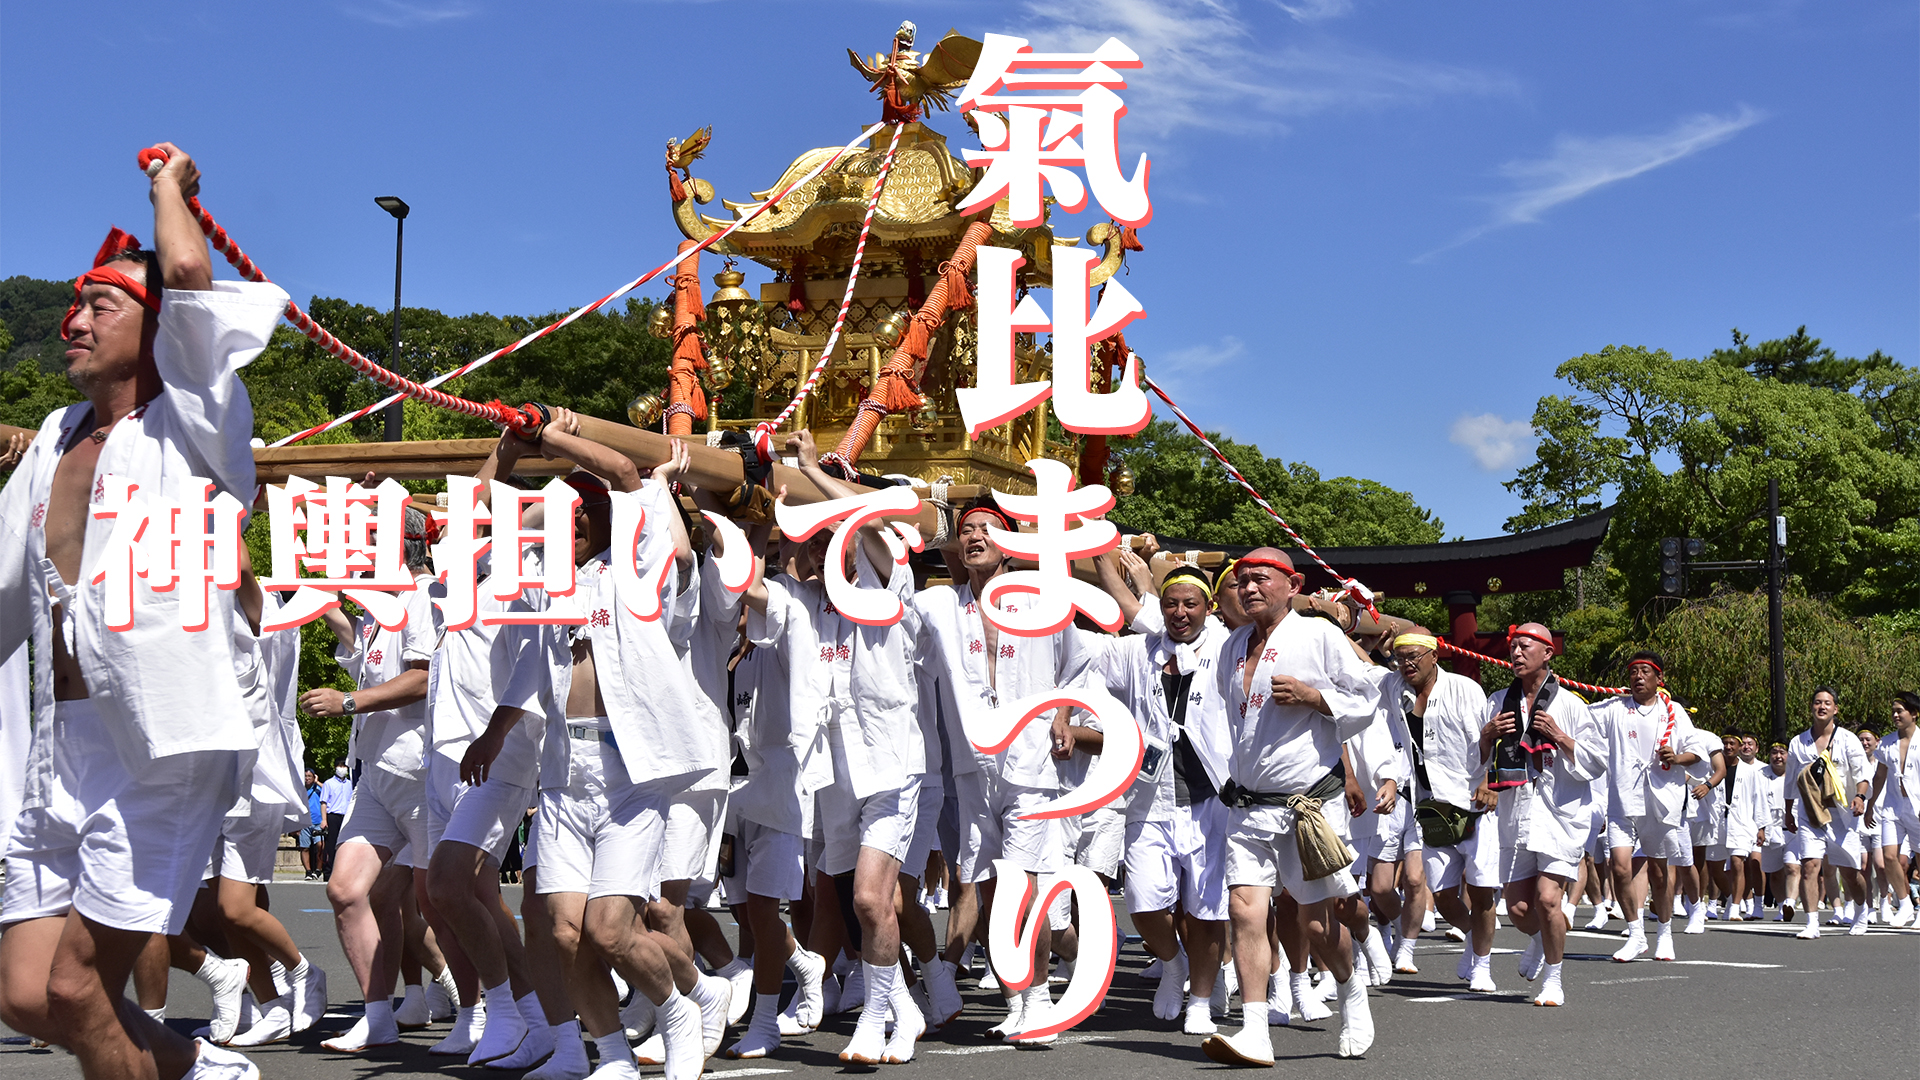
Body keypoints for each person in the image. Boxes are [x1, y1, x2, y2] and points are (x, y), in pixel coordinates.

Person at [0, 143, 285, 1080]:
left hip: (162, 737)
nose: (72, 319)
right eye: (74, 304)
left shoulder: (194, 420)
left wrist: (168, 187)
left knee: (82, 991)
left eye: (99, 304)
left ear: (161, 332)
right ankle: (197, 1067)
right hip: (58, 736)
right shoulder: (55, 439)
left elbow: (193, 275)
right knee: (26, 995)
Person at [463, 422, 716, 1080]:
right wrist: (513, 448)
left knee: (609, 929)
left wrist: (550, 428)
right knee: (559, 930)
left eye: (583, 511)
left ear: (607, 520)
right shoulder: (548, 582)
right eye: (562, 512)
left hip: (629, 778)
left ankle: (679, 1006)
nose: (570, 521)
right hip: (563, 777)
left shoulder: (632, 569)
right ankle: (611, 1055)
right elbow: (482, 504)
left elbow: (628, 475)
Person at [745, 430, 925, 1064]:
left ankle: (875, 1020)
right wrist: (742, 500)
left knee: (871, 898)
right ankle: (902, 1009)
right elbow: (749, 585)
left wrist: (806, 467)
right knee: (847, 901)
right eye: (816, 541)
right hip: (831, 775)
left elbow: (868, 523)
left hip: (893, 767)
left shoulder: (887, 587)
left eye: (832, 537)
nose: (825, 549)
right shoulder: (800, 605)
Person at [911, 498, 1091, 1046]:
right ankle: (1017, 998)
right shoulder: (942, 605)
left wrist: (1062, 715)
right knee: (986, 886)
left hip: (1031, 762)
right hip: (973, 763)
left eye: (989, 529)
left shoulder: (1041, 599)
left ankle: (1038, 1000)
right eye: (966, 531)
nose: (975, 537)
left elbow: (1077, 664)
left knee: (1025, 887)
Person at [1200, 549, 1381, 1067]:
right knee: (1244, 909)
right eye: (1241, 581)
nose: (1249, 587)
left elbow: (1368, 695)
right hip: (1250, 805)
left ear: (1292, 583)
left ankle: (1350, 986)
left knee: (1316, 925)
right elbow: (1230, 726)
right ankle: (1255, 1029)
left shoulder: (1318, 634)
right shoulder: (1233, 645)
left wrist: (1314, 696)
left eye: (1261, 578)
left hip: (1307, 806)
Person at [304, 502, 444, 1052]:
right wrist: (320, 601)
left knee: (445, 902)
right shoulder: (378, 607)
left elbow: (422, 678)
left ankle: (491, 1006)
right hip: (379, 777)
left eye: (368, 542)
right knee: (347, 890)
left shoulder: (423, 597)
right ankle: (378, 1014)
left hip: (425, 772)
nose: (359, 556)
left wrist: (349, 702)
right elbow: (366, 656)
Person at [1087, 551, 1232, 1036]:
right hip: (1150, 798)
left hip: (1211, 799)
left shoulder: (1229, 650)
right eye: (1170, 604)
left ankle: (1202, 998)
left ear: (1208, 607)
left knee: (1207, 909)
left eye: (1191, 604)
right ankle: (1172, 965)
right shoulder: (1137, 649)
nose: (1180, 613)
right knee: (1144, 903)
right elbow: (1085, 675)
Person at [1480, 623, 1605, 1007]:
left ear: (1548, 653)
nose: (1516, 653)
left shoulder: (1569, 704)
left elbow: (1597, 761)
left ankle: (1554, 978)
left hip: (1560, 813)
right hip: (1516, 812)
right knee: (1519, 908)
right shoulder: (1499, 700)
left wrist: (1561, 736)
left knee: (1549, 899)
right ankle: (1538, 939)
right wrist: (1487, 735)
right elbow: (1476, 759)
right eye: (1513, 647)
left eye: (1525, 647)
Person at [1383, 628, 1498, 984]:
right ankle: (1474, 941)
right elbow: (1360, 668)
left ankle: (1483, 965)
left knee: (1480, 891)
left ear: (1435, 656)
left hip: (1471, 803)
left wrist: (1488, 781)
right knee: (1445, 896)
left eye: (1414, 657)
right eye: (1401, 659)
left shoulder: (1464, 689)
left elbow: (1488, 735)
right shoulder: (1396, 689)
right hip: (1430, 806)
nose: (1406, 665)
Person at [1593, 652, 1715, 962]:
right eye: (1633, 672)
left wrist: (1677, 758)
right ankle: (1635, 934)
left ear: (1658, 679)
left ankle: (1663, 933)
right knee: (1620, 868)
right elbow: (1579, 715)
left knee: (1660, 874)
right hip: (1622, 800)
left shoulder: (1673, 712)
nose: (1637, 677)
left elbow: (1696, 752)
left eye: (1644, 671)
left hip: (1660, 803)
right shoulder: (1615, 708)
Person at [1781, 686, 1873, 939]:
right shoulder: (1798, 743)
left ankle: (1862, 911)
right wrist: (1788, 812)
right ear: (1811, 707)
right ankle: (1812, 923)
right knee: (1810, 865)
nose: (1822, 707)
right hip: (1811, 814)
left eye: (1827, 703)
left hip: (1843, 816)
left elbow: (1862, 774)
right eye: (1817, 702)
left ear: (1835, 709)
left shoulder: (1847, 739)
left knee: (1851, 874)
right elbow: (1791, 781)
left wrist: (1860, 796)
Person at [1867, 691, 1920, 927]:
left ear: (1914, 714)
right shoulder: (1887, 742)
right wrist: (1870, 804)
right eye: (1893, 711)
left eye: (1900, 710)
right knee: (1889, 857)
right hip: (1892, 807)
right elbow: (1879, 775)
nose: (1895, 715)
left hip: (1917, 808)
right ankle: (1904, 903)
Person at [320, 763, 352, 879]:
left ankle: (344, 872)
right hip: (333, 816)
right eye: (340, 766)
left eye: (344, 766)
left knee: (345, 845)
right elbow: (323, 802)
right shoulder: (329, 783)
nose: (342, 769)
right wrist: (324, 819)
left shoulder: (350, 784)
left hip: (346, 816)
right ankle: (328, 872)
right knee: (331, 844)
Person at [302, 771, 328, 880]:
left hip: (318, 822)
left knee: (320, 845)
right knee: (304, 847)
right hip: (304, 822)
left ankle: (318, 869)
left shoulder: (319, 789)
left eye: (309, 776)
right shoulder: (300, 789)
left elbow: (328, 790)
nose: (307, 778)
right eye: (305, 776)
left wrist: (317, 782)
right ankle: (308, 871)